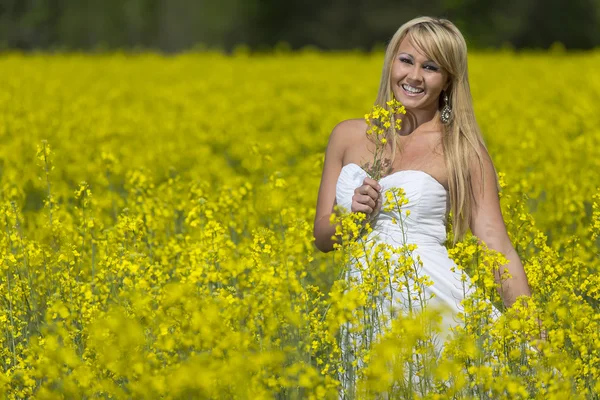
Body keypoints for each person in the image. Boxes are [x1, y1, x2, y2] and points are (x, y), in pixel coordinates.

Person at [312, 16, 534, 393]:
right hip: (364, 309)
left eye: (431, 67)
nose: (414, 75)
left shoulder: (462, 149)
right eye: (407, 60)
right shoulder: (348, 136)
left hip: (433, 301)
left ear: (448, 80)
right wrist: (354, 215)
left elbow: (497, 245)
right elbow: (322, 237)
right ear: (391, 63)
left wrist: (533, 332)